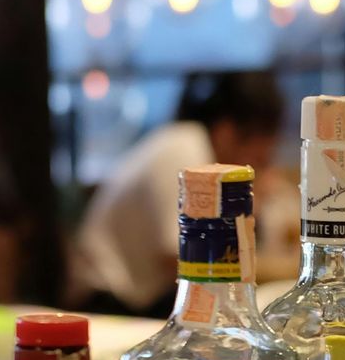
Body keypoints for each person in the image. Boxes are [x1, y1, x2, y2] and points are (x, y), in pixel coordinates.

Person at [68, 70, 285, 315]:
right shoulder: (184, 148)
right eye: (259, 158)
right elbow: (182, 258)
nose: (261, 167)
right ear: (226, 133)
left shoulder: (193, 147)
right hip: (108, 302)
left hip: (144, 297)